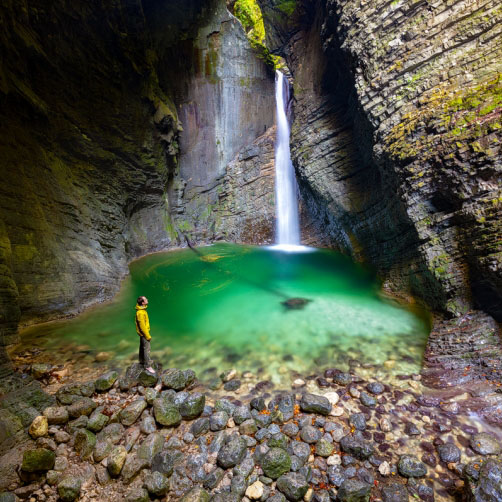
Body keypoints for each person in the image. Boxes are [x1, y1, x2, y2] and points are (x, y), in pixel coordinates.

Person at [135, 296, 154, 373]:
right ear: (143, 302)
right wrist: (148, 336)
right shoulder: (140, 313)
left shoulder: (142, 310)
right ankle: (147, 366)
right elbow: (142, 326)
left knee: (142, 347)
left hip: (142, 333)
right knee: (147, 349)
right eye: (146, 299)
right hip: (144, 334)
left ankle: (142, 360)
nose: (147, 299)